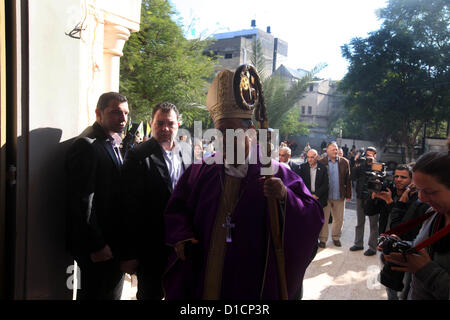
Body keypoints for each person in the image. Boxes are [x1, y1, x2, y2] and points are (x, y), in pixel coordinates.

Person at [162, 67, 324, 300]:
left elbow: (313, 214)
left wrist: (285, 197)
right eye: (219, 132)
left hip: (251, 281)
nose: (223, 139)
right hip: (204, 273)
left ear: (250, 132)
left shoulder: (275, 172)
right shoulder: (200, 172)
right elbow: (176, 210)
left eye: (231, 131)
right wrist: (182, 236)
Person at [118, 102, 186, 300]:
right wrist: (129, 253)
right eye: (160, 123)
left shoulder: (186, 153)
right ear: (152, 123)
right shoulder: (138, 156)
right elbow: (128, 206)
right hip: (150, 246)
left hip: (180, 243)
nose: (165, 128)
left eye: (170, 123)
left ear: (178, 124)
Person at [65, 92, 129, 299]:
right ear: (98, 113)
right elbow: (82, 201)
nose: (123, 119)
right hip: (99, 249)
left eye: (126, 113)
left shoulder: (110, 141)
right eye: (116, 112)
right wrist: (97, 245)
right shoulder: (88, 145)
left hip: (112, 244)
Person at [382, 150, 450, 300]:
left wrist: (426, 270)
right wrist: (402, 247)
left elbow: (425, 266)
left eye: (430, 191)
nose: (421, 198)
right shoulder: (434, 214)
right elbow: (424, 250)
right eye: (418, 190)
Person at [372, 164, 430, 299]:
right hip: (387, 246)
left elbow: (399, 227)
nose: (398, 179)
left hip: (405, 251)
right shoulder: (388, 189)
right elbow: (369, 211)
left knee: (403, 291)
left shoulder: (416, 200)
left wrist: (393, 203)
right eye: (396, 176)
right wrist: (373, 196)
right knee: (390, 288)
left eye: (403, 177)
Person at [318, 141, 352, 248]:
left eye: (336, 149)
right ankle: (322, 239)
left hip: (339, 195)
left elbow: (348, 179)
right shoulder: (321, 162)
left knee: (339, 219)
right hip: (325, 196)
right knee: (324, 219)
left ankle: (336, 237)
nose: (335, 151)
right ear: (327, 150)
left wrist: (349, 194)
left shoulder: (344, 162)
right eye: (333, 149)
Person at [350, 146, 381, 256]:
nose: (369, 157)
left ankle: (372, 248)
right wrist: (355, 161)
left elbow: (381, 179)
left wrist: (373, 166)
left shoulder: (378, 166)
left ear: (375, 156)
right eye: (367, 155)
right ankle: (358, 244)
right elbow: (352, 177)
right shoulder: (361, 166)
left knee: (373, 224)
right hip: (360, 198)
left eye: (371, 155)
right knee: (360, 222)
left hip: (373, 199)